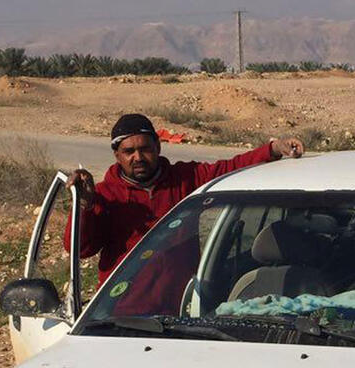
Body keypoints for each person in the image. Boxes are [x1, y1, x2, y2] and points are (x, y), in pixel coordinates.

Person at [63, 113, 304, 285]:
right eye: (129, 152)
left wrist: (272, 149)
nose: (138, 157)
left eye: (145, 149)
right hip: (122, 307)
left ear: (158, 147)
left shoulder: (185, 178)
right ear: (117, 154)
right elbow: (80, 249)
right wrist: (84, 206)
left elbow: (230, 169)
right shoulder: (105, 195)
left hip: (179, 305)